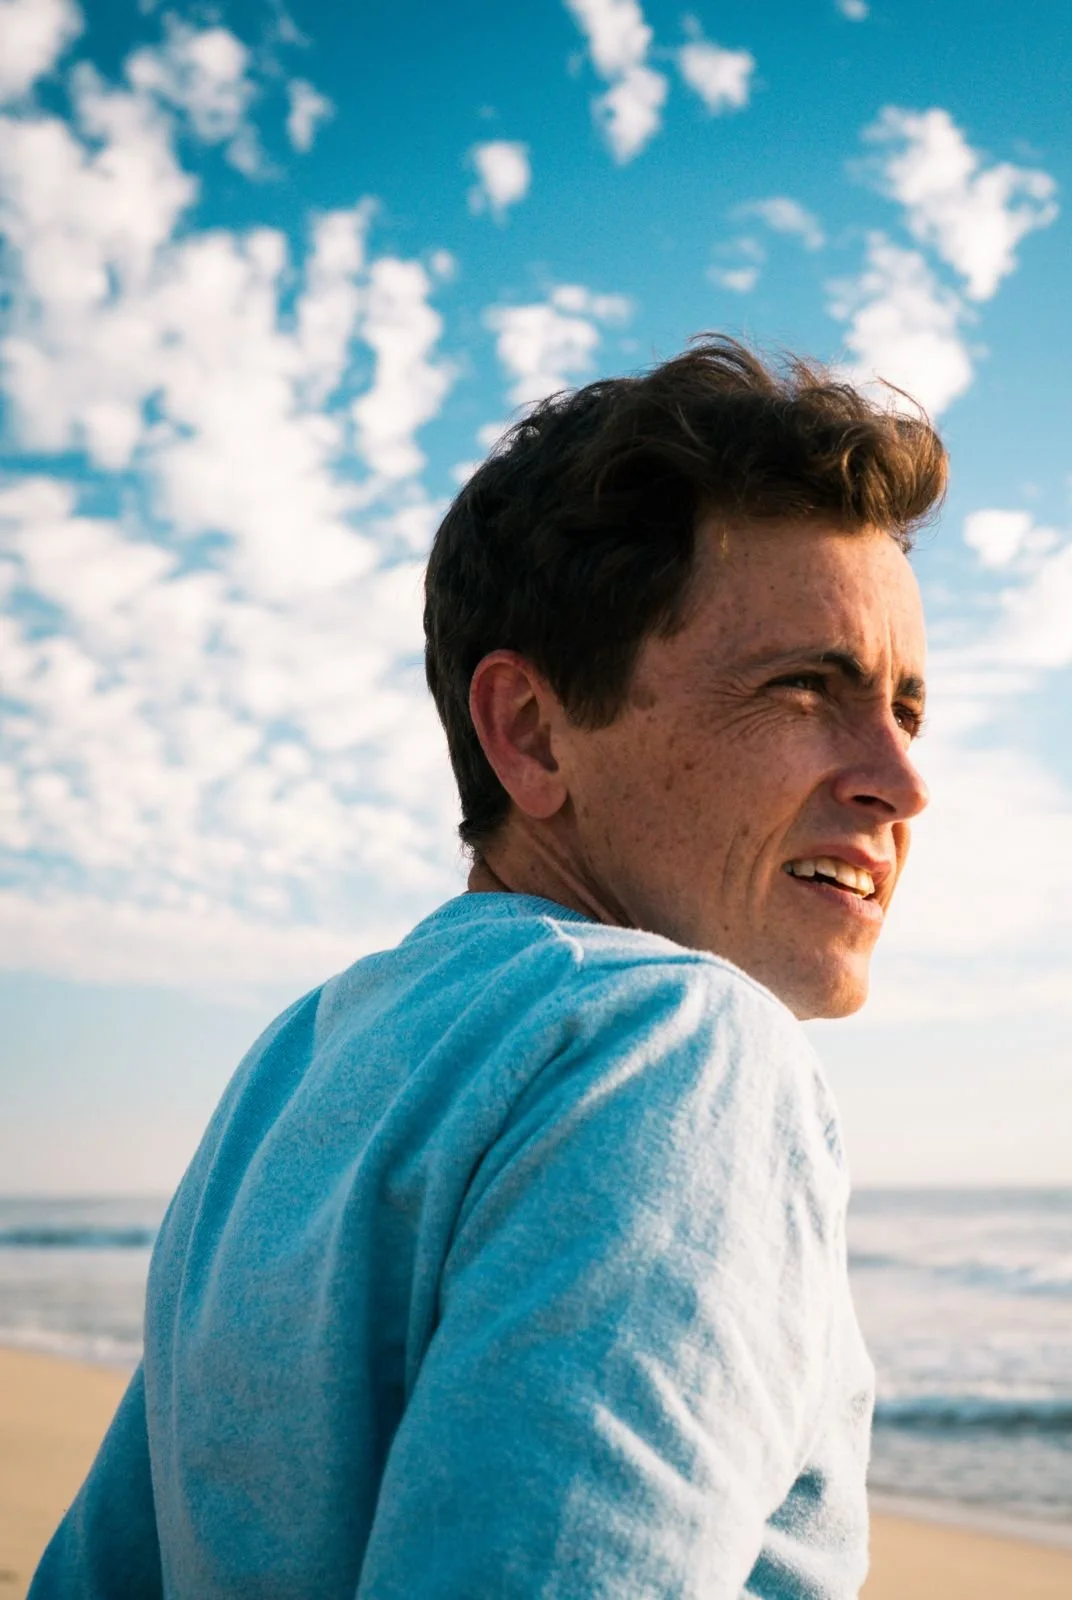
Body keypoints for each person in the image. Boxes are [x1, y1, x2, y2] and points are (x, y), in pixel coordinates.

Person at [33, 338, 944, 1598]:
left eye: (905, 707)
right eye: (804, 687)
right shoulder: (676, 1052)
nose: (900, 783)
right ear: (528, 730)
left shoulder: (303, 1063)